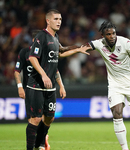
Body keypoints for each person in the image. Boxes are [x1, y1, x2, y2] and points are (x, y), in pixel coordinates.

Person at [86, 21, 130, 150]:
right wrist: (63, 49)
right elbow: (81, 47)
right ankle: (125, 149)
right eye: (108, 34)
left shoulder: (125, 43)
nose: (112, 36)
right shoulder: (99, 44)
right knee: (117, 114)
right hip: (114, 86)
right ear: (103, 35)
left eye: (113, 33)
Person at [25, 9, 89, 150]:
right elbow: (32, 57)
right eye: (55, 19)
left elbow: (57, 57)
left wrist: (77, 50)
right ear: (48, 21)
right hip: (36, 85)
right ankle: (33, 147)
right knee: (35, 119)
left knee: (49, 118)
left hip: (51, 86)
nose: (59, 21)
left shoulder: (55, 38)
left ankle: (40, 142)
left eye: (60, 19)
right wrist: (43, 74)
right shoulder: (41, 36)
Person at [14, 30, 51, 150]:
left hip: (44, 90)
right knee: (32, 119)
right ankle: (38, 143)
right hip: (30, 90)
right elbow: (17, 71)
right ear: (35, 40)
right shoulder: (25, 52)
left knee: (44, 117)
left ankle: (40, 143)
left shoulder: (46, 53)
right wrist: (20, 87)